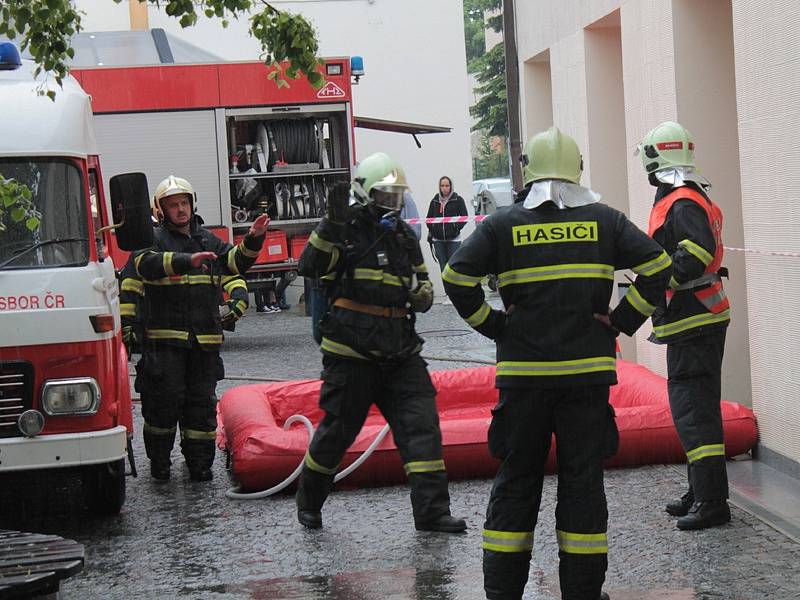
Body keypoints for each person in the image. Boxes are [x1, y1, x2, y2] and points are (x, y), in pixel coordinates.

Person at [443, 127, 671, 600]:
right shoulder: (606, 222)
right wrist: (619, 321)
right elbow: (657, 268)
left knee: (516, 483)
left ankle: (503, 593)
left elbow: (455, 275)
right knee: (583, 486)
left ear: (528, 174)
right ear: (577, 171)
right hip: (586, 381)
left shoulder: (501, 225)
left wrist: (496, 326)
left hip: (523, 382)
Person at [295, 152, 466, 534]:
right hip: (351, 353)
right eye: (384, 195)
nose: (392, 203)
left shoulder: (404, 237)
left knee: (422, 427)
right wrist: (330, 222)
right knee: (338, 431)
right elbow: (309, 266)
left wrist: (421, 293)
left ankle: (432, 513)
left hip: (400, 350)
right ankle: (309, 499)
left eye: (396, 196)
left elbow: (422, 286)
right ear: (365, 193)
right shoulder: (344, 228)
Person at [120, 175, 269, 482]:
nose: (181, 209)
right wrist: (187, 261)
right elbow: (146, 266)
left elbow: (234, 263)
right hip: (165, 342)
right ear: (161, 210)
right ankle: (160, 462)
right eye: (173, 205)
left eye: (184, 202)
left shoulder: (207, 239)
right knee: (163, 404)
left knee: (201, 406)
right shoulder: (151, 239)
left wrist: (253, 238)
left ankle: (200, 464)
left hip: (204, 342)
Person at [637, 121, 732, 530]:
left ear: (656, 158)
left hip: (695, 318)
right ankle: (701, 490)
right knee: (694, 408)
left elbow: (694, 253)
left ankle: (712, 502)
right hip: (694, 318)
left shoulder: (682, 201)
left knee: (694, 412)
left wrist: (660, 280)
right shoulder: (687, 195)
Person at [425, 176, 468, 270]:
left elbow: (464, 217)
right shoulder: (434, 201)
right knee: (443, 268)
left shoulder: (458, 200)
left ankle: (455, 285)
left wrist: (456, 228)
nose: (444, 188)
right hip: (438, 240)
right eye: (442, 185)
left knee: (454, 267)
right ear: (439, 187)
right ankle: (446, 285)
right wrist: (434, 229)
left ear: (451, 186)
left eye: (447, 185)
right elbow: (428, 219)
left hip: (454, 239)